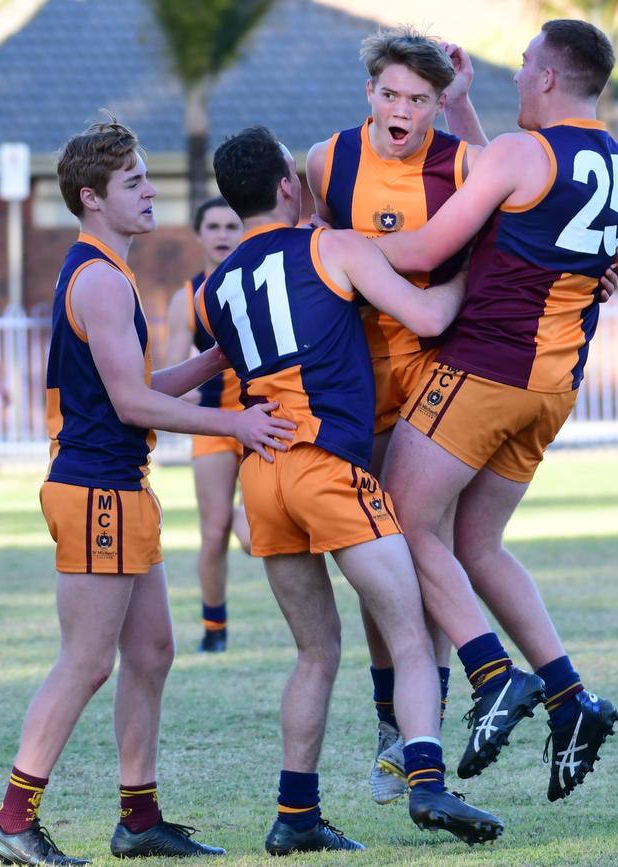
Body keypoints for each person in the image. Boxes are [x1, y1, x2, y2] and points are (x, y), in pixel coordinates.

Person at [0, 116, 295, 866]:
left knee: (152, 650)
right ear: (93, 198)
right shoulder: (97, 278)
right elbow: (131, 404)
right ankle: (11, 819)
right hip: (95, 489)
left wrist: (215, 356)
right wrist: (232, 421)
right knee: (88, 661)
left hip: (119, 488)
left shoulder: (105, 269)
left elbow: (138, 384)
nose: (150, 190)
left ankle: (139, 820)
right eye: (133, 182)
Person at [198, 124, 504, 854]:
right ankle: (426, 781)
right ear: (285, 186)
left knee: (316, 651)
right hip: (327, 464)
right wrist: (473, 271)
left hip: (261, 474)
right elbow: (428, 315)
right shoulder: (328, 244)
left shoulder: (215, 286)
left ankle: (295, 815)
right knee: (406, 632)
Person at [375, 19, 618, 801]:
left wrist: (320, 243)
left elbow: (422, 251)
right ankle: (569, 696)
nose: (517, 75)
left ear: (550, 77)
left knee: (402, 516)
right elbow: (525, 201)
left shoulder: (526, 152)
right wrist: (459, 112)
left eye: (524, 65)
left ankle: (493, 676)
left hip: (487, 366)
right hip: (553, 384)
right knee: (478, 544)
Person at [306, 25, 480, 806]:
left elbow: (523, 228)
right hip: (353, 387)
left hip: (438, 381)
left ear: (439, 103)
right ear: (369, 93)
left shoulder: (461, 161)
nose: (403, 110)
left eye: (420, 98)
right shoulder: (327, 160)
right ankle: (393, 723)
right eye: (391, 95)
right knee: (382, 565)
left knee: (424, 546)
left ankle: (423, 728)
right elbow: (309, 253)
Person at [165, 196, 249, 653]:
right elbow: (174, 362)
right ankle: (213, 628)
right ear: (198, 235)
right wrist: (187, 387)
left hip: (263, 418)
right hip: (214, 423)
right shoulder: (187, 296)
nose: (222, 235)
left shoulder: (260, 281)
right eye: (213, 226)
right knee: (213, 530)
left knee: (256, 537)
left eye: (231, 226)